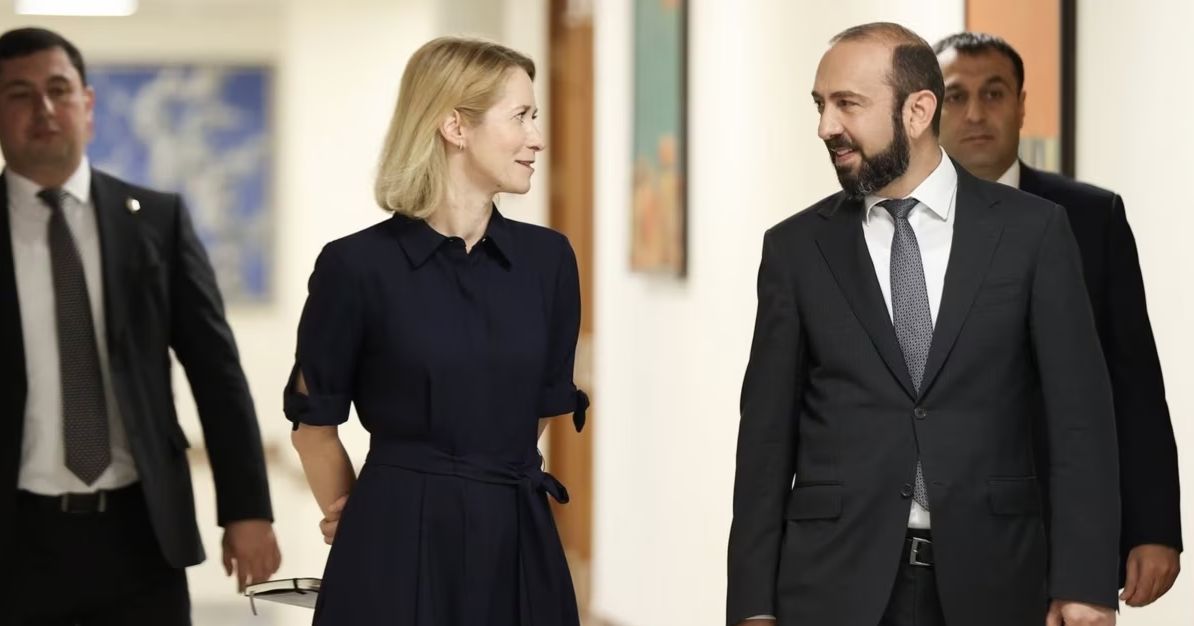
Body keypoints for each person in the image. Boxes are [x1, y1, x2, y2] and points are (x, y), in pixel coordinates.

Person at [726, 22, 1120, 626]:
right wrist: (753, 606)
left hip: (996, 582)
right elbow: (765, 442)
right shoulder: (796, 249)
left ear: (917, 110)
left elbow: (1080, 422)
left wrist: (1085, 584)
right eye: (820, 105)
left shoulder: (1034, 233)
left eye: (847, 104)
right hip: (832, 587)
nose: (826, 126)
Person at [285, 36, 588, 626]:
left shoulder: (549, 261)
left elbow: (537, 410)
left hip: (517, 536)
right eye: (521, 116)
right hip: (393, 538)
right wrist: (359, 517)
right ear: (455, 126)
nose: (538, 138)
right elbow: (313, 429)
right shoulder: (354, 267)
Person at [0, 26, 280, 624]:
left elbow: (217, 373)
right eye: (19, 94)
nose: (43, 108)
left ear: (87, 104)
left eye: (58, 89)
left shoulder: (156, 220)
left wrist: (247, 509)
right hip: (15, 540)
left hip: (140, 534)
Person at [933, 31, 1182, 609]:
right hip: (931, 531)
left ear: (1022, 105)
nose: (976, 113)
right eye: (956, 95)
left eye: (994, 93)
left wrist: (1153, 526)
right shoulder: (897, 222)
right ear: (926, 109)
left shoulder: (1091, 217)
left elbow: (1135, 382)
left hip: (1059, 524)